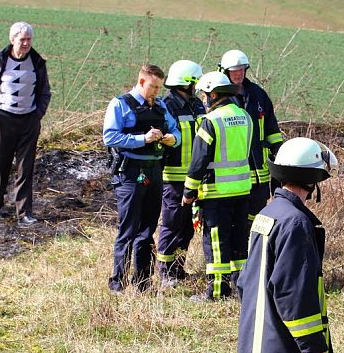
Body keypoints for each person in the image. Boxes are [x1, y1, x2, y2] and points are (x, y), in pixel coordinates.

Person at [237, 137, 340, 353]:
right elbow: (295, 296)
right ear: (313, 180)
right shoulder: (296, 223)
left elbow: (245, 284)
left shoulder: (267, 215)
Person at [103, 64, 181, 293]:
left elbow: (176, 131)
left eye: (159, 87)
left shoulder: (161, 106)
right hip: (130, 173)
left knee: (147, 229)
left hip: (155, 171)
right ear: (141, 82)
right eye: (153, 87)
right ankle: (118, 283)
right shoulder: (120, 104)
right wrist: (143, 139)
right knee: (128, 229)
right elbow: (110, 136)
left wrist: (171, 139)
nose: (157, 92)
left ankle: (143, 282)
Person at [182, 71, 253, 302]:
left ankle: (217, 292)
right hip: (243, 190)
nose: (203, 99)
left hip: (216, 193)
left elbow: (198, 162)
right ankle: (243, 289)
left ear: (213, 94)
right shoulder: (245, 116)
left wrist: (189, 192)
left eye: (204, 95)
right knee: (240, 241)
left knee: (216, 242)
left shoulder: (210, 122)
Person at [0, 21, 51, 225]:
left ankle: (24, 212)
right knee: (1, 163)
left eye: (29, 39)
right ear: (12, 40)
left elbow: (45, 91)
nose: (26, 43)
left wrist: (38, 114)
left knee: (26, 167)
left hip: (29, 121)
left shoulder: (37, 62)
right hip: (3, 118)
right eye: (22, 39)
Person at [155, 60, 207, 288]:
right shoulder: (167, 106)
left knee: (188, 226)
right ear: (188, 83)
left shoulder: (196, 105)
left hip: (193, 176)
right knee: (172, 224)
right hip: (173, 177)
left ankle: (178, 268)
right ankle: (164, 272)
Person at [219, 49, 283, 228]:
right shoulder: (220, 97)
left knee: (256, 219)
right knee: (234, 221)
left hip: (259, 172)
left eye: (241, 69)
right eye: (234, 70)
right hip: (233, 174)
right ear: (225, 71)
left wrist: (279, 152)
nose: (238, 73)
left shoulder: (258, 94)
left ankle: (252, 250)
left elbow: (272, 128)